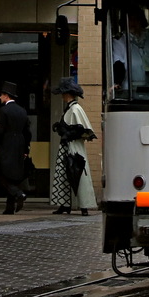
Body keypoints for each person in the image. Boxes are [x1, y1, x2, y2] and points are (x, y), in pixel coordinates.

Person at [50, 78, 97, 216]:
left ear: (67, 94)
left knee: (79, 174)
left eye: (63, 94)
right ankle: (65, 204)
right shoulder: (72, 109)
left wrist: (67, 133)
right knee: (64, 174)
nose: (62, 96)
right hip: (68, 146)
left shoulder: (75, 109)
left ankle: (84, 206)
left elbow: (82, 130)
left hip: (74, 147)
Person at [0, 81, 32, 214]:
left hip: (6, 145)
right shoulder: (22, 111)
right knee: (13, 176)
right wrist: (26, 150)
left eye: (1, 95)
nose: (0, 97)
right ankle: (9, 208)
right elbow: (28, 132)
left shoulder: (3, 111)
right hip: (19, 146)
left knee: (0, 173)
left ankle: (19, 194)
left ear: (6, 96)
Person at [112, 5, 149, 88]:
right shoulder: (119, 42)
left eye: (136, 19)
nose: (133, 22)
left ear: (142, 21)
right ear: (125, 22)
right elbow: (118, 67)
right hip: (130, 94)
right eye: (130, 19)